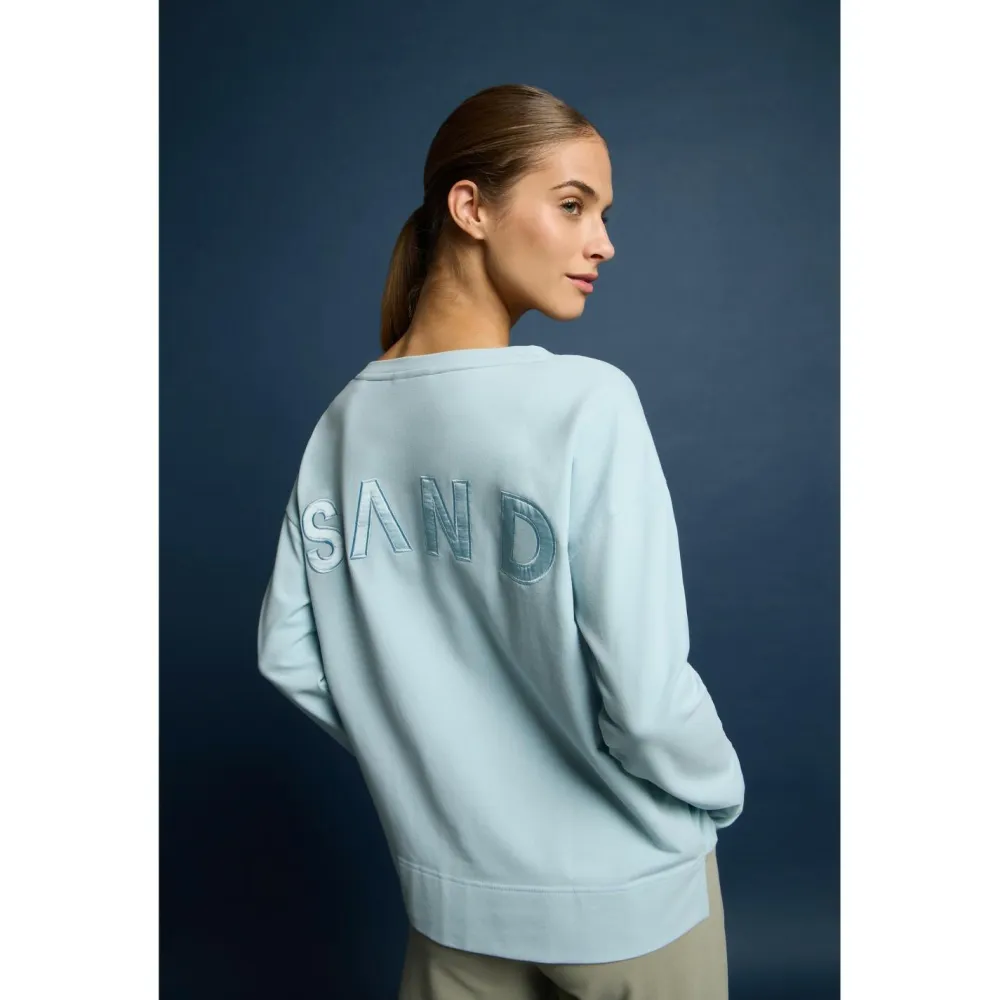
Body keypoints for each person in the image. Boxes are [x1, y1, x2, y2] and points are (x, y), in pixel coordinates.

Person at [257, 83, 745, 1000]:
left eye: (602, 213)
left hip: (451, 905)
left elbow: (289, 655)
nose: (603, 243)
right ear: (470, 208)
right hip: (629, 897)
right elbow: (645, 698)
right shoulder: (588, 403)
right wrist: (717, 792)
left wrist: (433, 761)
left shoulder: (344, 424)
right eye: (573, 205)